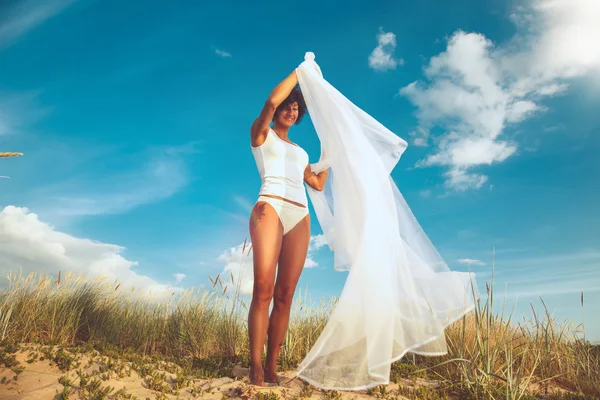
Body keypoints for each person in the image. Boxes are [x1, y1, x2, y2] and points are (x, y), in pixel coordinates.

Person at [248, 70, 329, 386]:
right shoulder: (261, 134)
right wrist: (301, 72)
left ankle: (271, 368)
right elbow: (270, 101)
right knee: (264, 289)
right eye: (288, 105)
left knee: (285, 295)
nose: (291, 109)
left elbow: (318, 184)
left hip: (300, 216)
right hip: (269, 207)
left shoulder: (302, 152)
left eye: (296, 107)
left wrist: (333, 153)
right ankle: (255, 367)